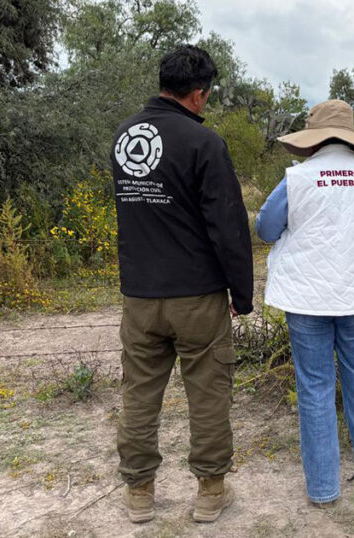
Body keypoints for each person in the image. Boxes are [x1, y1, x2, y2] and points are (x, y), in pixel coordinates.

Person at [111, 44, 254, 524]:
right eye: (207, 96)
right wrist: (242, 293)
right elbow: (227, 225)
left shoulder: (123, 135)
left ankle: (139, 495)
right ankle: (210, 493)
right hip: (196, 295)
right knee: (208, 393)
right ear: (198, 94)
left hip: (140, 296)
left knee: (139, 394)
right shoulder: (204, 143)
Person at [256, 99, 354, 507]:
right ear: (353, 139)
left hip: (306, 298)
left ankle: (323, 490)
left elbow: (266, 229)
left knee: (315, 389)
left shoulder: (297, 178)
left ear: (313, 140)